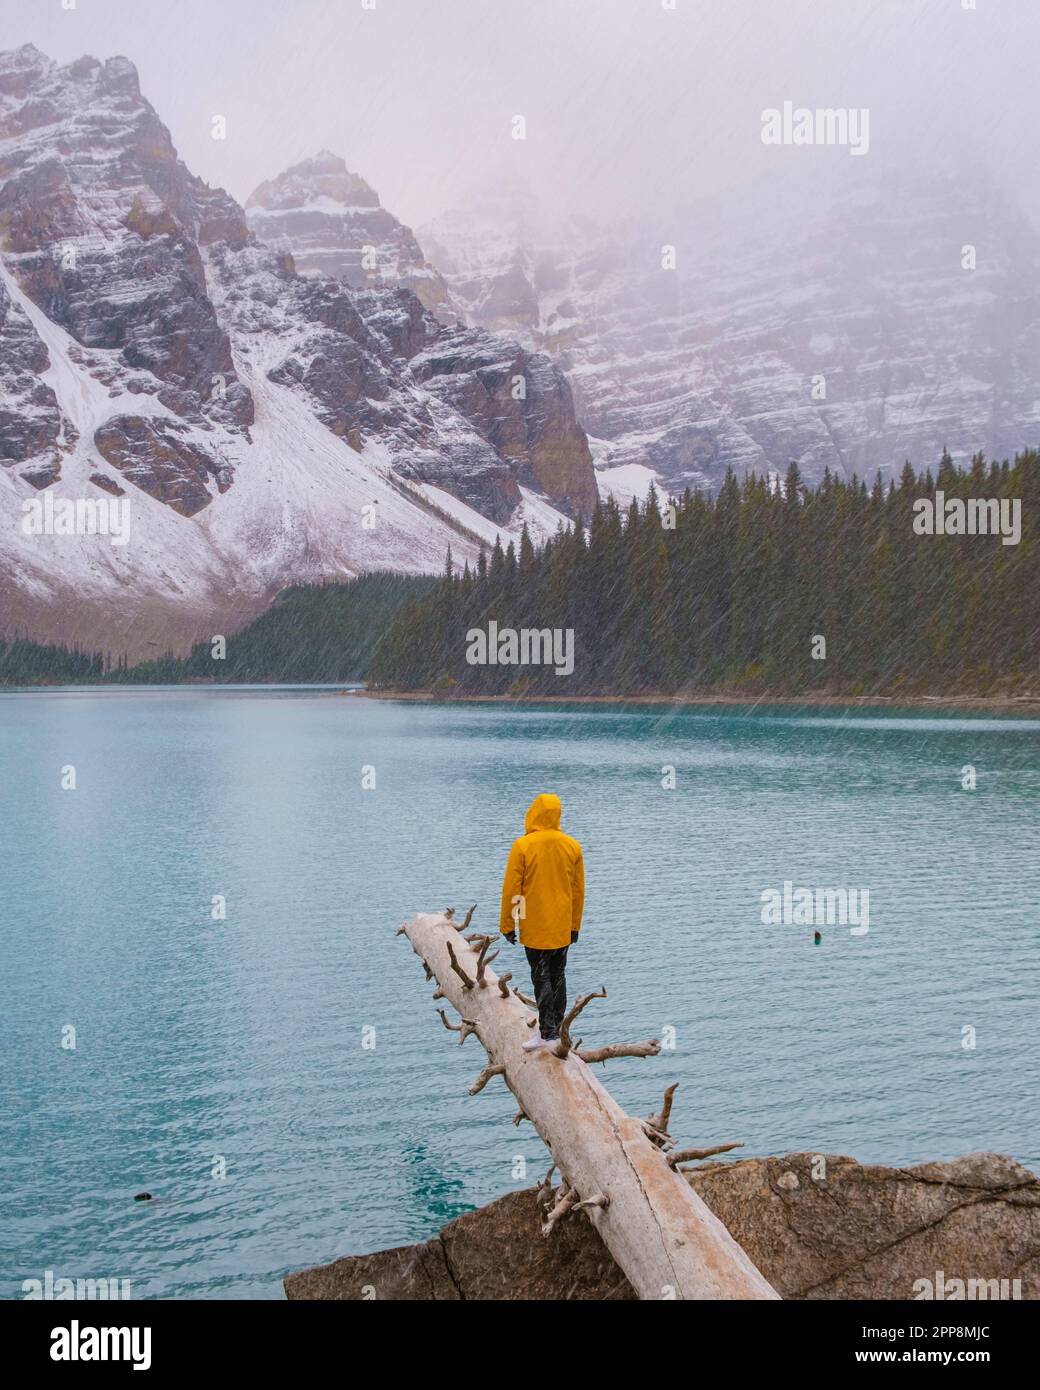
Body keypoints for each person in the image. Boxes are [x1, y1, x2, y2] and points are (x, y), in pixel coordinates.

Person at [499, 792, 584, 1052]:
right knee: (559, 976)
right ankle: (556, 1029)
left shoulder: (523, 845)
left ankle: (547, 1035)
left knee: (541, 977)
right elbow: (577, 890)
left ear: (534, 813)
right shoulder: (572, 846)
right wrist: (574, 924)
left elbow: (514, 889)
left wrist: (510, 923)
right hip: (561, 926)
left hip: (534, 926)